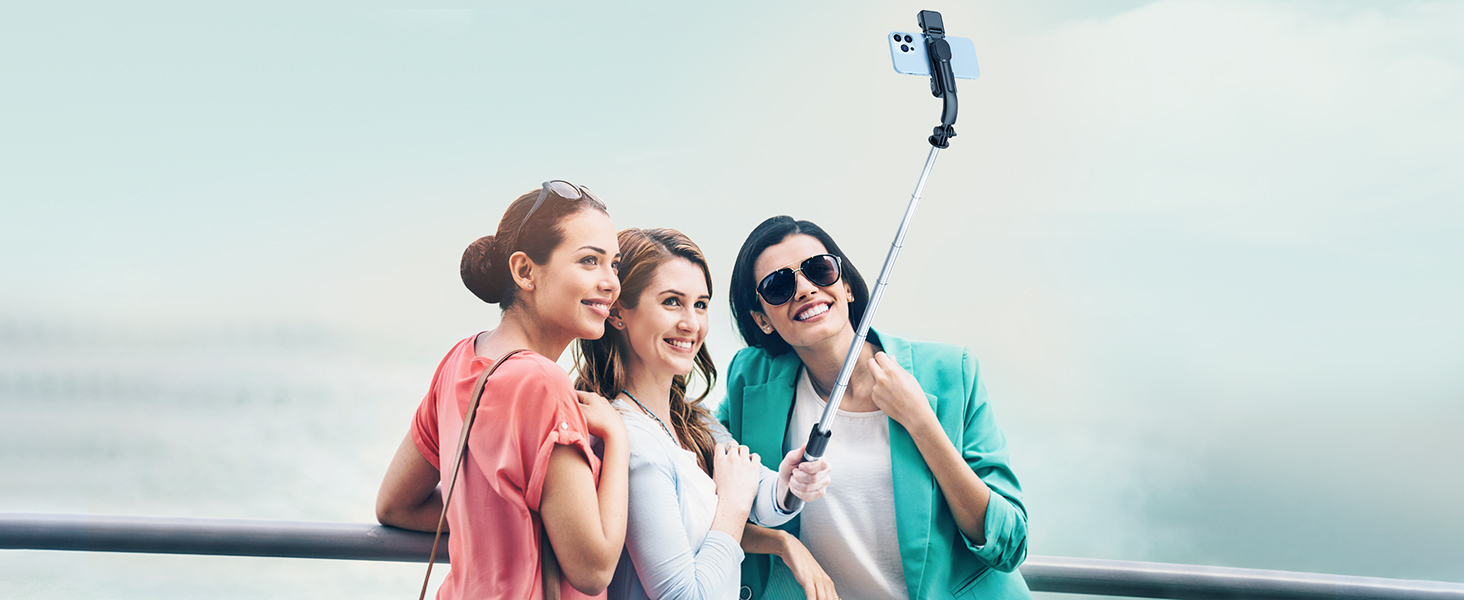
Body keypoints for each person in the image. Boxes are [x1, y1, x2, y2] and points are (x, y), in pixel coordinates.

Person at [719, 216, 1032, 600]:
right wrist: (783, 545)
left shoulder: (951, 372)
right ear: (761, 320)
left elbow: (1010, 544)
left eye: (819, 270)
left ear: (846, 286)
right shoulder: (748, 380)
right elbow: (703, 499)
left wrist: (922, 423)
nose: (804, 289)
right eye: (778, 285)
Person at [376, 181, 630, 600]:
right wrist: (618, 439)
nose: (610, 283)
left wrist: (500, 522)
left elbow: (394, 505)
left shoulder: (460, 360)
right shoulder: (544, 384)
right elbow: (594, 568)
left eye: (614, 264)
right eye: (589, 261)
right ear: (525, 271)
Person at [575, 228, 833, 600]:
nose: (691, 324)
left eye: (700, 304)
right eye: (671, 302)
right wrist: (732, 504)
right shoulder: (635, 444)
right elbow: (685, 596)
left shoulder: (693, 421)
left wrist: (788, 482)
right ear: (618, 313)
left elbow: (760, 495)